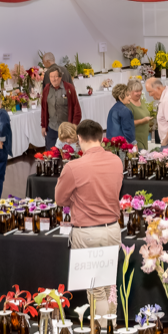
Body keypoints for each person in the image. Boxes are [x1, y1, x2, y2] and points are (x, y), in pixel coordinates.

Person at [54, 119, 123, 314]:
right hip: (112, 229)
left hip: (87, 233)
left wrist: (76, 199)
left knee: (96, 290)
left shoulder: (74, 167)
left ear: (80, 139)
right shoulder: (116, 161)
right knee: (110, 286)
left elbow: (60, 199)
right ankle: (110, 333)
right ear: (101, 138)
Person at [40, 66, 81, 152]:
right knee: (51, 155)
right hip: (52, 128)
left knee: (68, 155)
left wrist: (74, 126)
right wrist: (43, 125)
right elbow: (44, 109)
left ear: (60, 77)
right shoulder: (46, 89)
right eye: (51, 77)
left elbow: (76, 108)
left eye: (55, 77)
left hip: (66, 129)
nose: (53, 79)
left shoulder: (69, 88)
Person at [121, 80, 152, 147]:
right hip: (135, 140)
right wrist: (142, 121)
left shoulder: (141, 100)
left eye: (140, 90)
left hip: (144, 138)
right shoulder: (128, 105)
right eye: (136, 91)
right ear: (129, 91)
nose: (139, 93)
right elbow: (127, 123)